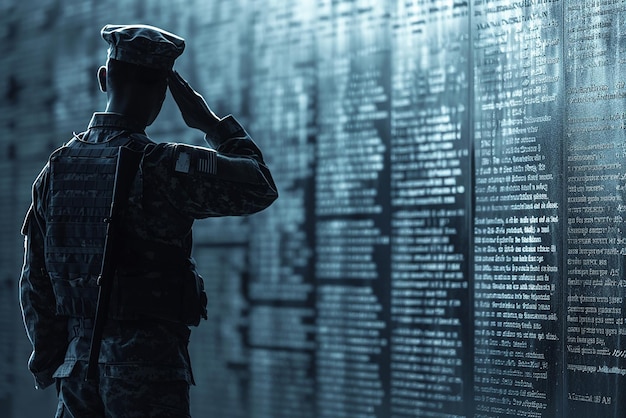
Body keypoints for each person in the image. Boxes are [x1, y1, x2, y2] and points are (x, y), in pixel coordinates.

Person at [19, 24, 278, 417]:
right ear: (164, 94)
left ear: (103, 79)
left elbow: (36, 280)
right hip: (148, 370)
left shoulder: (55, 170)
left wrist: (53, 361)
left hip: (74, 372)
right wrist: (211, 126)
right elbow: (260, 185)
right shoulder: (164, 166)